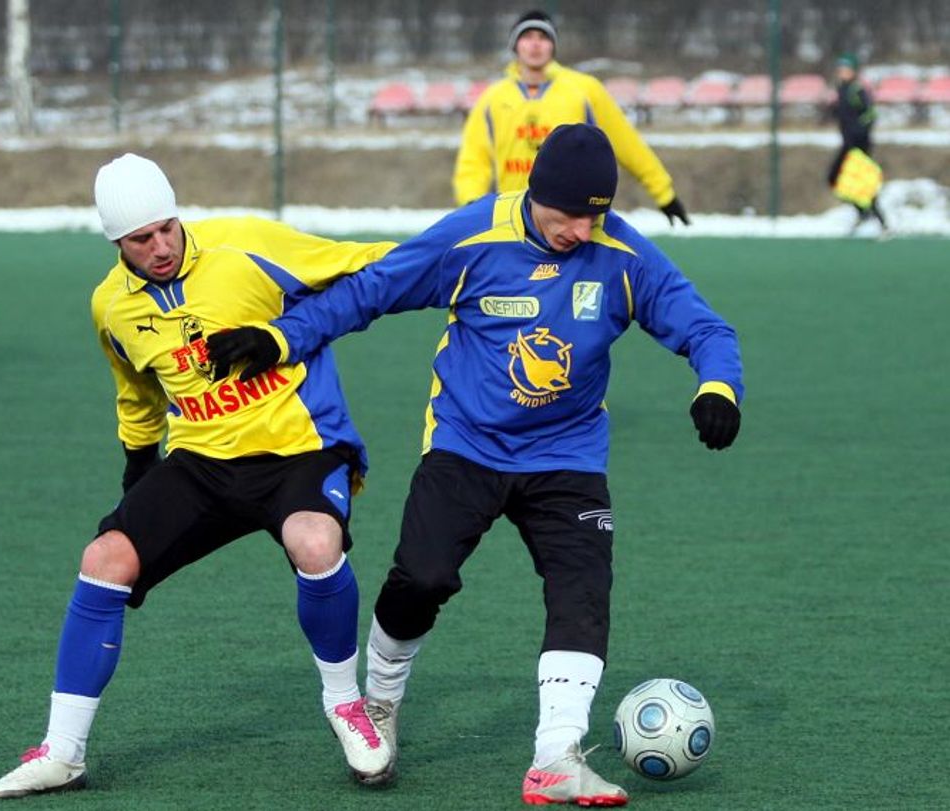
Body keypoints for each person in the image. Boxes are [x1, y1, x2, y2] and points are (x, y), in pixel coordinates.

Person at [209, 124, 743, 807]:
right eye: (567, 215)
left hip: (567, 455)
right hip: (466, 444)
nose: (580, 229)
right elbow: (368, 292)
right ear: (534, 194)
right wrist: (283, 336)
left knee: (582, 592)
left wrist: (717, 385)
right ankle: (381, 702)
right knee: (421, 578)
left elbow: (705, 327)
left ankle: (556, 755)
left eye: (594, 215)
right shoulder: (472, 237)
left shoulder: (620, 252)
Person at [0, 154, 397, 799]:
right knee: (105, 558)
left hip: (301, 449)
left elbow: (371, 261)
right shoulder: (111, 308)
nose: (159, 248)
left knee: (316, 543)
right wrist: (138, 473)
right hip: (201, 462)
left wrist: (284, 331)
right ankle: (62, 751)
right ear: (116, 243)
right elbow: (136, 395)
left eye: (166, 229)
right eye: (140, 240)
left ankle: (348, 706)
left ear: (178, 217)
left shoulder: (249, 245)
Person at [453, 10, 690, 227]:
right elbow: (474, 162)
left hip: (576, 218)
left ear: (553, 46)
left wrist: (663, 193)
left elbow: (626, 143)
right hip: (514, 221)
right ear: (515, 45)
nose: (535, 44)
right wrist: (472, 207)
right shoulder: (492, 99)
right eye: (527, 36)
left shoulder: (584, 90)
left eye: (543, 37)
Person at [827, 52, 889, 235]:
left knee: (863, 182)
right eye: (840, 69)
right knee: (836, 179)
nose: (842, 72)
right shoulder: (841, 89)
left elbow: (870, 114)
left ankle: (881, 221)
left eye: (846, 69)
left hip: (859, 144)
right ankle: (864, 214)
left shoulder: (857, 89)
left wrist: (858, 132)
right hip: (848, 143)